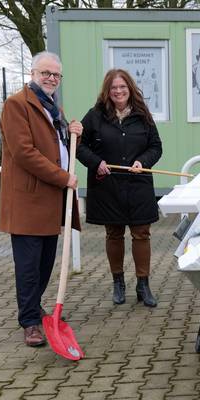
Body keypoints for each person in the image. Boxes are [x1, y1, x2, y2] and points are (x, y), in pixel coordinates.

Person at [0, 51, 82, 347]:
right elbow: (25, 153)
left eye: (56, 75)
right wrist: (63, 178)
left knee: (45, 262)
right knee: (29, 266)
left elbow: (58, 147)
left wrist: (74, 134)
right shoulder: (17, 105)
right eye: (45, 73)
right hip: (28, 202)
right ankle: (30, 322)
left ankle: (34, 307)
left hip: (49, 200)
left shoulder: (52, 107)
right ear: (32, 73)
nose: (51, 78)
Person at [77, 69, 162, 307]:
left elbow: (156, 147)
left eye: (122, 87)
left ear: (130, 88)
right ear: (107, 91)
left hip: (138, 184)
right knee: (113, 234)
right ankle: (118, 283)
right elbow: (79, 145)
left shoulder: (143, 115)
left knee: (141, 234)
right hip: (108, 185)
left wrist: (142, 162)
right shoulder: (94, 116)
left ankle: (143, 285)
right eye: (113, 88)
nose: (118, 91)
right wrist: (96, 163)